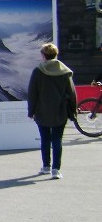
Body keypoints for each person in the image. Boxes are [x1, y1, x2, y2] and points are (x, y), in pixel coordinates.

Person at [27, 43, 76, 180]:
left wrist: (31, 111)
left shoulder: (38, 71)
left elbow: (32, 93)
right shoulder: (64, 72)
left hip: (42, 110)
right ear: (56, 54)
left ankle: (46, 166)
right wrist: (73, 111)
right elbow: (71, 93)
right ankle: (56, 169)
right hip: (60, 111)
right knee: (57, 139)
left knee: (45, 139)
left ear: (43, 55)